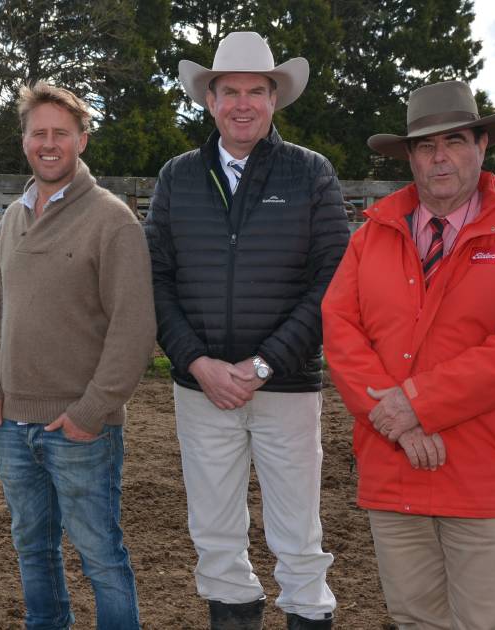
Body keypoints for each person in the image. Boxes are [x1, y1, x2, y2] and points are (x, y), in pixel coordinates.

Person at [321, 80, 495, 630]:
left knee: (484, 620)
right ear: (409, 157)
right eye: (426, 146)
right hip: (391, 460)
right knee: (413, 618)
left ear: (482, 146)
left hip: (478, 468)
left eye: (454, 141)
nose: (440, 157)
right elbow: (340, 328)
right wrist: (399, 421)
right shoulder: (371, 237)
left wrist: (417, 404)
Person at [144, 31, 348, 630]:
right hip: (201, 388)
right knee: (214, 534)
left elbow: (332, 282)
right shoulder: (177, 178)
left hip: (285, 389)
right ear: (209, 99)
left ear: (273, 98)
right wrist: (197, 362)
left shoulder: (312, 174)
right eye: (229, 90)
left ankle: (308, 615)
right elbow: (155, 280)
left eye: (255, 91)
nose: (242, 103)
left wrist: (265, 364)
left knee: (299, 535)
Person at [0, 81, 156, 630]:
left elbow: (135, 327)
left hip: (79, 426)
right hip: (11, 424)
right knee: (32, 549)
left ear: (82, 140)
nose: (48, 143)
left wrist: (89, 412)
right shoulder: (12, 218)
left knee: (100, 556)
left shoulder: (112, 221)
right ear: (25, 141)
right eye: (38, 133)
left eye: (61, 133)